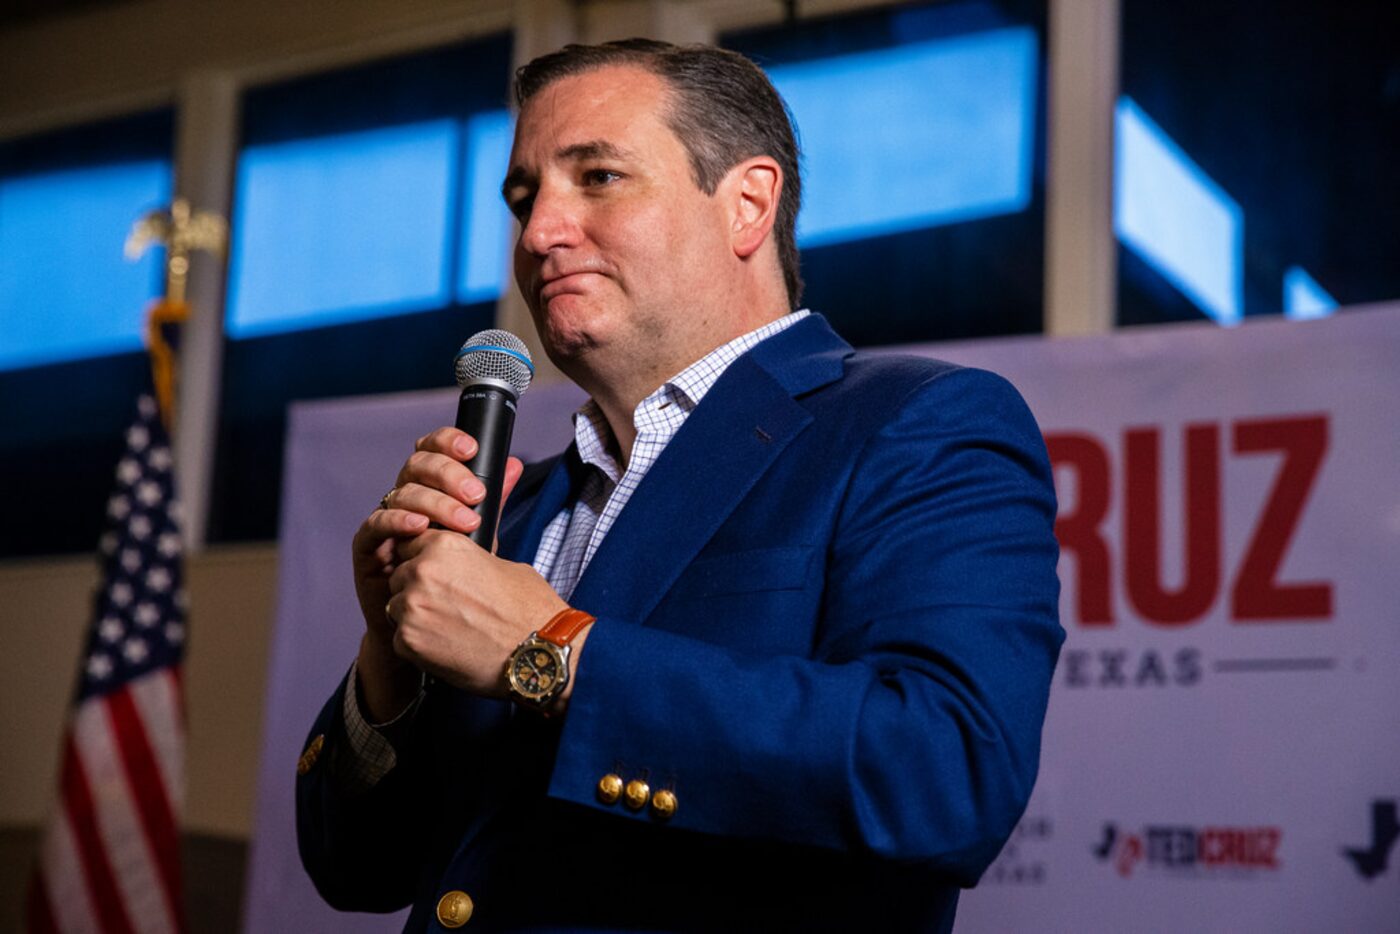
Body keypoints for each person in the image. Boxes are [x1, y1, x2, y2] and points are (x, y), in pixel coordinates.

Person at [297, 38, 1062, 933]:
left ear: (747, 205)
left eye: (598, 178)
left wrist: (548, 650)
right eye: (523, 197)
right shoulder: (518, 508)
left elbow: (948, 773)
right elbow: (359, 871)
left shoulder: (919, 422)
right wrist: (391, 660)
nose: (540, 230)